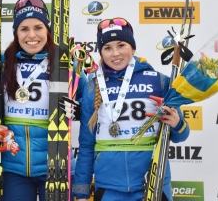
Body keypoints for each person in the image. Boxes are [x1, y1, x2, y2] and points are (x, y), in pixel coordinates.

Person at [72, 17, 190, 201]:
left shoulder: (159, 81)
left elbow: (181, 136)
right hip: (108, 189)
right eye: (107, 48)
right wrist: (81, 192)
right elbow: (86, 146)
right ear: (101, 52)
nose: (115, 53)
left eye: (121, 45)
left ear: (133, 48)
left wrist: (177, 123)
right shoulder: (92, 88)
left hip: (152, 185)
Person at [0, 0, 55, 201]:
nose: (31, 35)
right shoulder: (2, 63)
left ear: (47, 31)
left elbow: (92, 98)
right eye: (24, 29)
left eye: (38, 27)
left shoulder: (63, 64)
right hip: (13, 166)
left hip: (54, 166)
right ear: (16, 33)